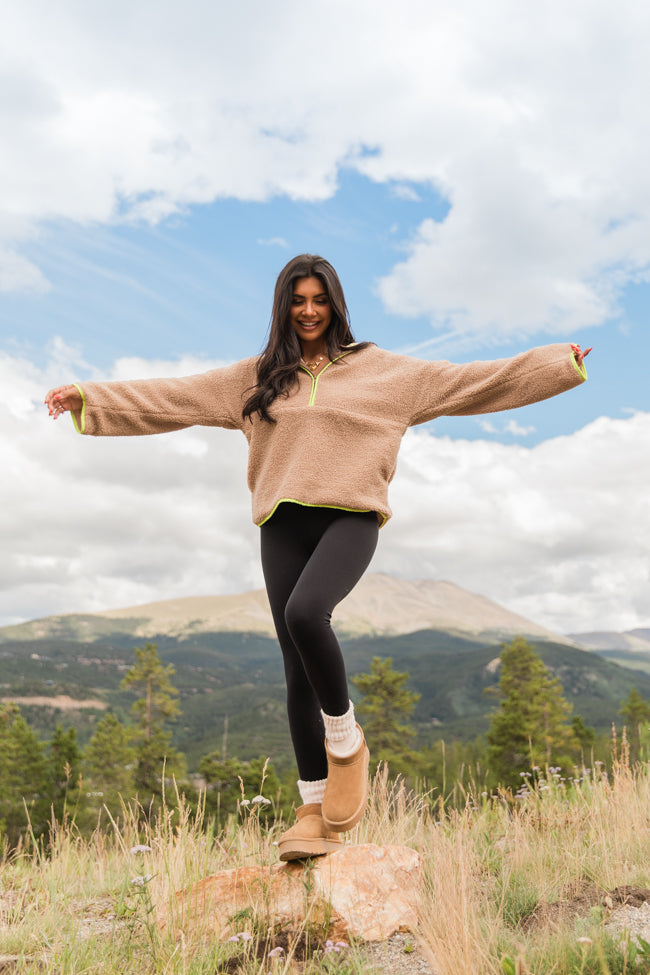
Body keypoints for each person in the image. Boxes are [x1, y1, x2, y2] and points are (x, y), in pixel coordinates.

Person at [45, 253, 591, 860]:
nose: (309, 311)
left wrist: (553, 365)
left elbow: (474, 382)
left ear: (336, 304)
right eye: (298, 300)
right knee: (292, 661)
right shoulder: (256, 379)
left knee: (308, 614)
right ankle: (311, 807)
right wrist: (89, 398)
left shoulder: (387, 373)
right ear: (284, 307)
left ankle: (346, 741)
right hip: (281, 523)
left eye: (319, 299)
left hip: (350, 517)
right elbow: (174, 396)